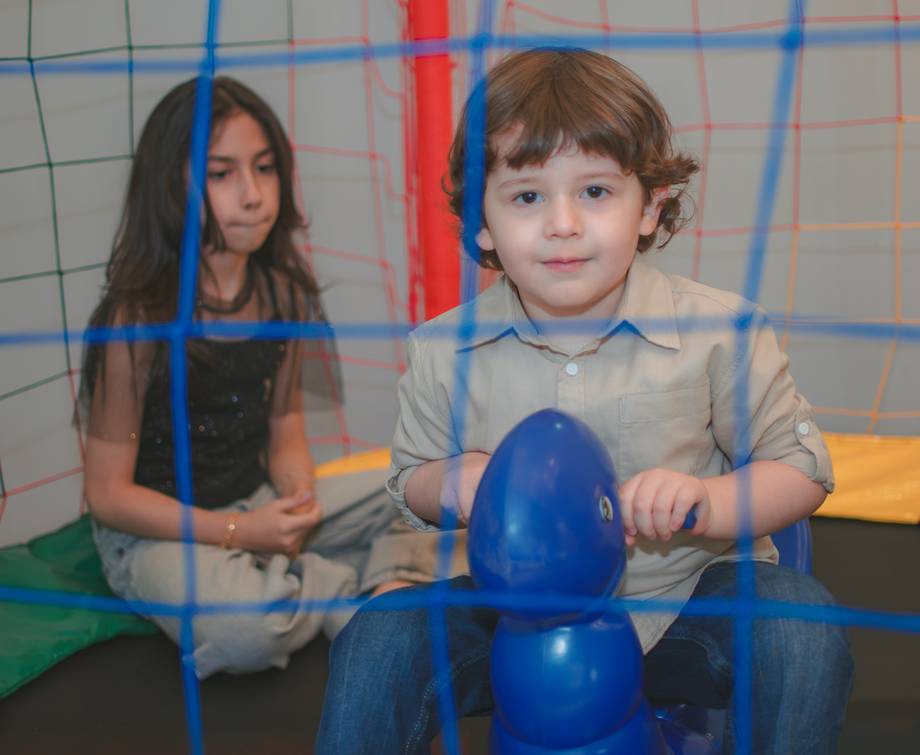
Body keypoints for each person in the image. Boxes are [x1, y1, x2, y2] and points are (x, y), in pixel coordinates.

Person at [316, 48, 854, 754]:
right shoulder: (443, 351)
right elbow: (409, 481)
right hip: (518, 625)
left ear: (649, 206)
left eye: (595, 192)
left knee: (799, 625)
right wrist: (452, 481)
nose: (562, 223)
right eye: (527, 196)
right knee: (381, 632)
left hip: (684, 603)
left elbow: (802, 470)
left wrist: (705, 499)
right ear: (481, 222)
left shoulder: (721, 332)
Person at [80, 76, 456, 679]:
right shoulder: (136, 320)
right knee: (244, 633)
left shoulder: (284, 293)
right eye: (221, 173)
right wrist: (240, 531)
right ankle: (336, 590)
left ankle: (346, 579)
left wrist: (296, 493)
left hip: (254, 501)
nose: (252, 194)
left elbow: (283, 425)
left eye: (264, 168)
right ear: (171, 185)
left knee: (421, 485)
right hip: (159, 535)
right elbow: (106, 494)